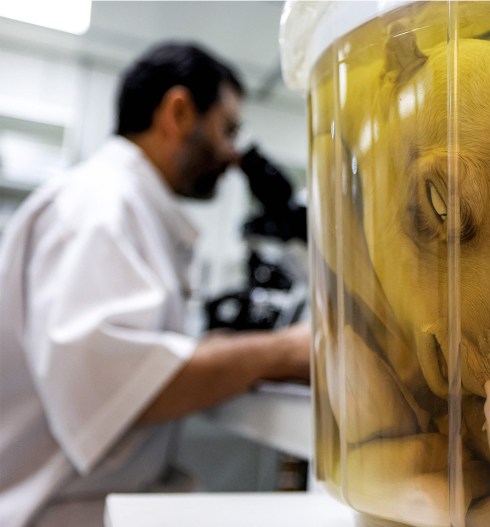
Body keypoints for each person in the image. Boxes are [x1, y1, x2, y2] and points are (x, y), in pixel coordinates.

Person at [0, 41, 311, 527]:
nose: (233, 155)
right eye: (227, 129)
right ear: (179, 112)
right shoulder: (98, 207)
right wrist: (289, 351)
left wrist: (224, 351)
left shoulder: (122, 207)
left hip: (91, 496)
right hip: (54, 511)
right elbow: (109, 386)